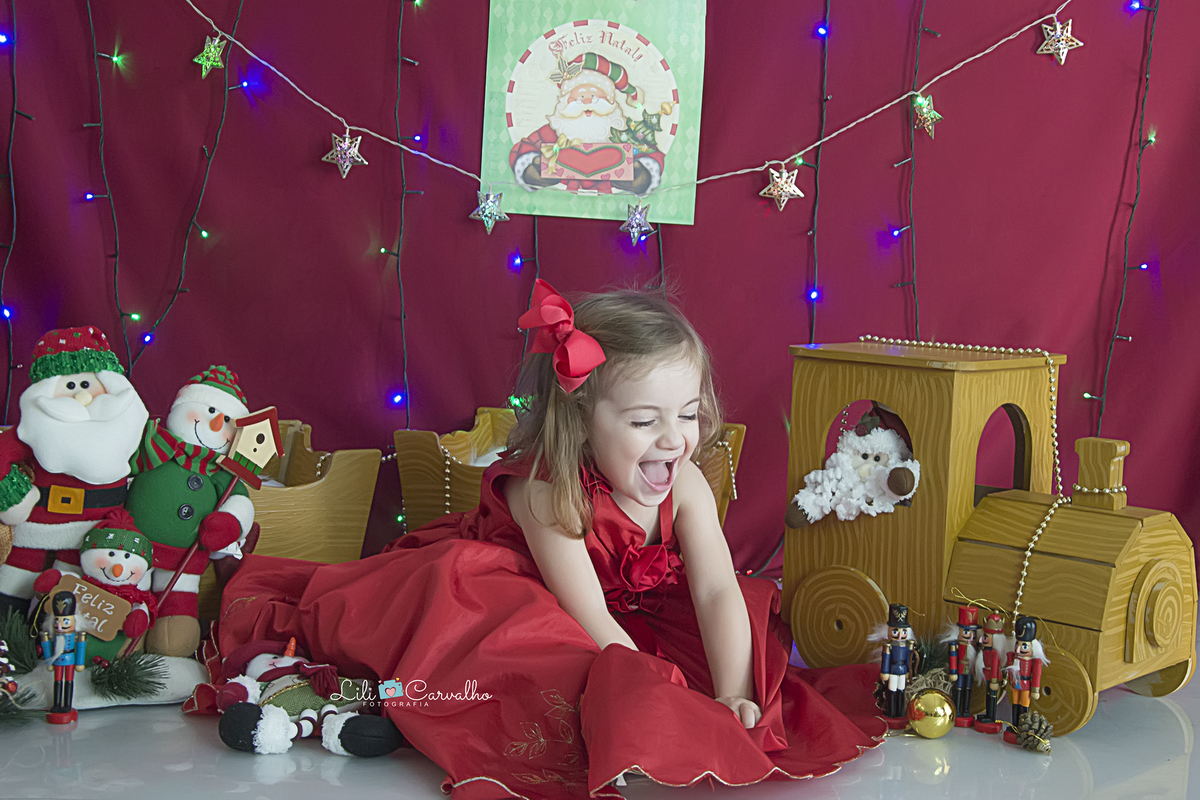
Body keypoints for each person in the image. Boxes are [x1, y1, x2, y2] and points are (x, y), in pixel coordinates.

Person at [219, 281, 885, 799]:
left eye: (688, 414)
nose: (674, 439)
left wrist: (732, 692)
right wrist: (665, 697)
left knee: (749, 627)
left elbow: (712, 588)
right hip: (534, 597)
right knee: (535, 654)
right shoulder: (548, 492)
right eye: (645, 421)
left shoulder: (686, 485)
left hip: (638, 612)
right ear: (582, 419)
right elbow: (588, 613)